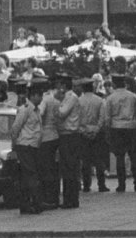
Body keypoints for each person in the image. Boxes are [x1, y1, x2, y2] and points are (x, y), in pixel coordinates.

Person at [10, 79, 44, 214]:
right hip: (25, 146)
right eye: (39, 96)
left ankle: (25, 204)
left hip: (32, 147)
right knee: (31, 175)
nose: (41, 99)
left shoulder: (35, 110)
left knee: (26, 177)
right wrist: (14, 146)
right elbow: (15, 129)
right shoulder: (25, 109)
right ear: (33, 96)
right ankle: (36, 203)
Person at [103, 74, 136, 192]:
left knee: (119, 156)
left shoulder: (110, 98)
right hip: (131, 127)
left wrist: (108, 131)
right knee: (134, 156)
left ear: (114, 84)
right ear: (125, 83)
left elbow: (107, 117)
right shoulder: (133, 96)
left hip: (116, 127)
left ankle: (121, 184)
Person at [54, 73, 82, 208]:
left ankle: (72, 199)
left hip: (70, 135)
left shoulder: (71, 98)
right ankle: (68, 198)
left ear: (64, 86)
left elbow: (62, 113)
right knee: (66, 168)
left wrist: (55, 104)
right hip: (64, 135)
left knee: (70, 168)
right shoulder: (66, 97)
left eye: (59, 85)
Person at [77, 78, 109, 192]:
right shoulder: (100, 100)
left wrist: (83, 131)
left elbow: (77, 119)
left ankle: (86, 185)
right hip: (97, 133)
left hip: (83, 133)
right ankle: (102, 184)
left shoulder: (78, 101)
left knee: (85, 160)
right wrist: (96, 130)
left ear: (82, 88)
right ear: (93, 87)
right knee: (99, 159)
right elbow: (102, 118)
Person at [38, 72, 62, 208]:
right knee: (54, 168)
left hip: (45, 137)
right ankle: (55, 196)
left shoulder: (44, 100)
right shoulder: (55, 100)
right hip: (55, 135)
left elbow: (40, 114)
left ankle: (47, 197)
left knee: (45, 168)